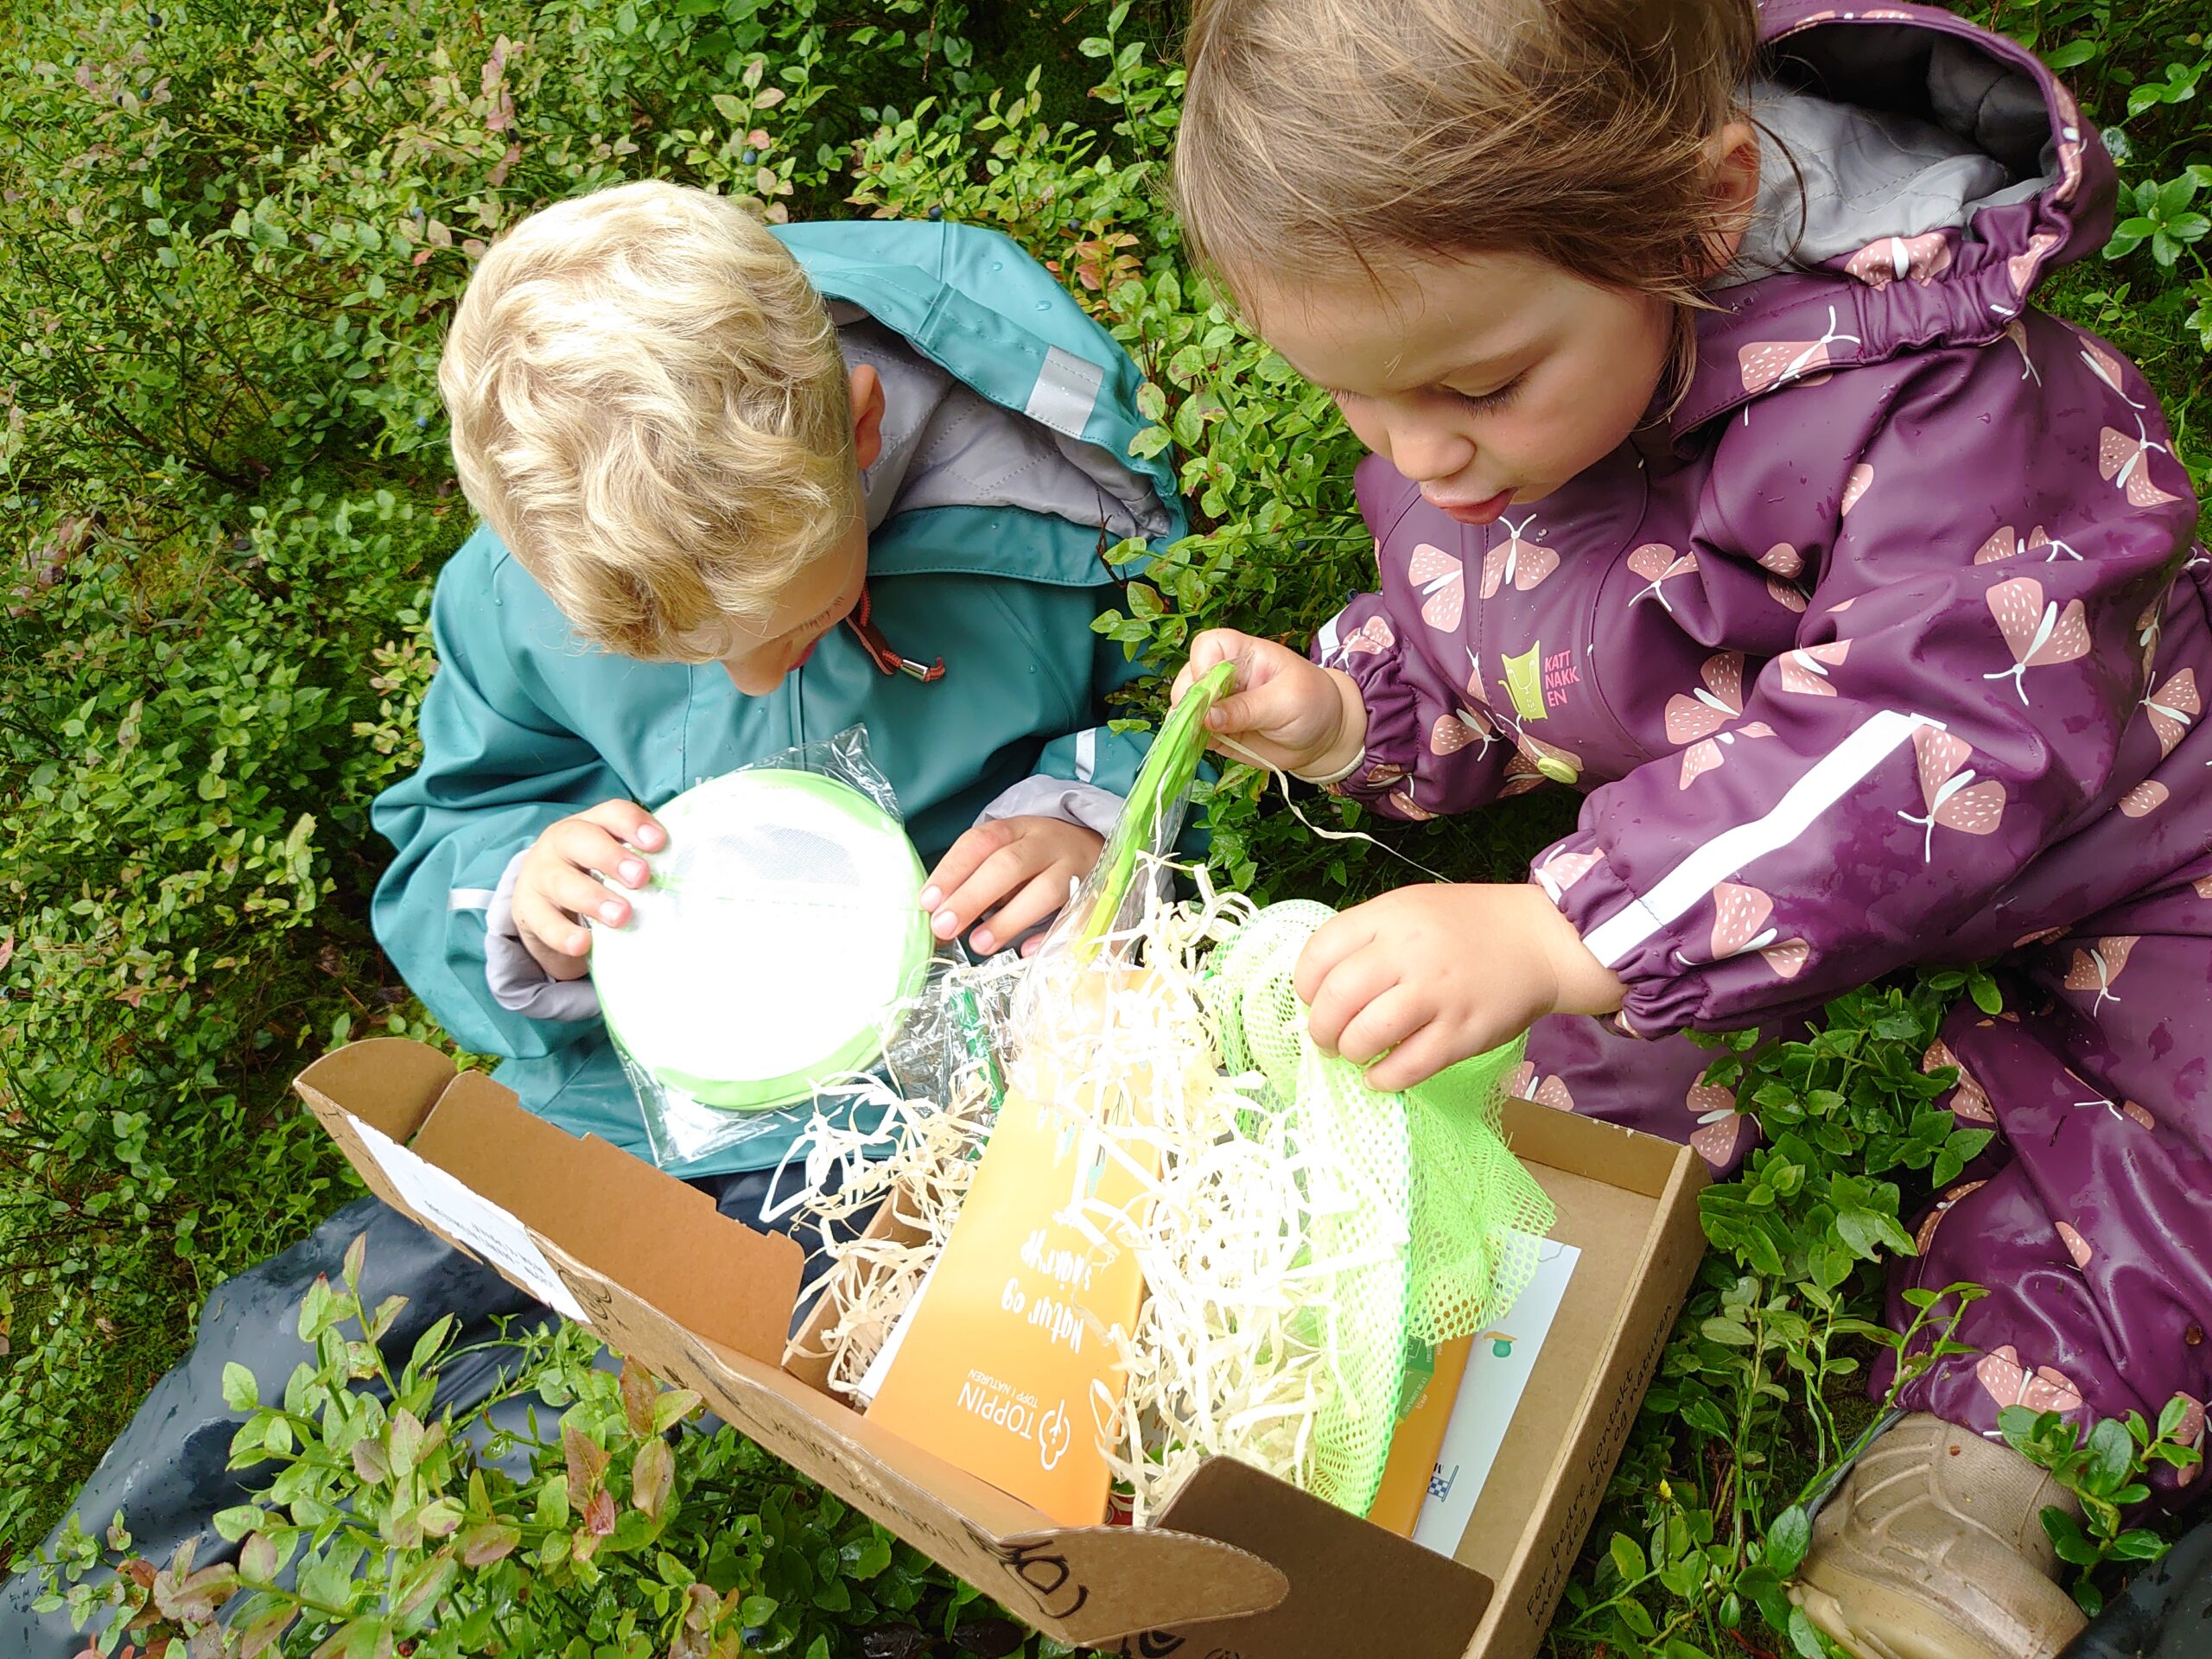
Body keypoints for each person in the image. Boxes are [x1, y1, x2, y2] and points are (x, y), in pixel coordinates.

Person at [3, 181, 1185, 1656]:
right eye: (699, 657)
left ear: (863, 430)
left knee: (714, 1477)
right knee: (303, 1366)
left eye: (795, 631)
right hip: (621, 1108)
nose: (754, 690)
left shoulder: (1064, 486)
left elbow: (1201, 699)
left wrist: (1087, 811)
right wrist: (526, 886)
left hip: (936, 1115)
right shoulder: (521, 590)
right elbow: (453, 823)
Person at [1168, 3, 2207, 1657]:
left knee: (2180, 1124)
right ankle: (1449, 1393)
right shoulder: (1515, 404)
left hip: (2133, 853)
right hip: (1734, 885)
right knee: (1536, 1106)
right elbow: (1511, 645)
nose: (1421, 455)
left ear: (1705, 209)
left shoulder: (1957, 408)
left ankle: (1974, 1477)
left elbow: (1930, 733)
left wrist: (1574, 924)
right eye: (1355, 404)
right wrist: (1358, 717)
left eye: (1474, 388)